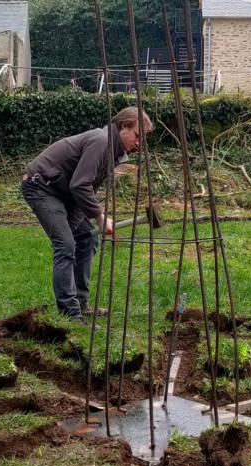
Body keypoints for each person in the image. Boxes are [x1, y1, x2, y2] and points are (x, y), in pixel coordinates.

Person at [21, 106, 153, 322]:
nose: (139, 143)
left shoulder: (114, 150)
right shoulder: (101, 142)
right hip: (42, 187)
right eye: (138, 136)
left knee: (86, 237)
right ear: (124, 127)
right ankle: (70, 314)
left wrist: (90, 220)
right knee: (65, 245)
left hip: (65, 191)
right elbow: (80, 185)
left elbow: (85, 188)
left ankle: (80, 304)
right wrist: (100, 216)